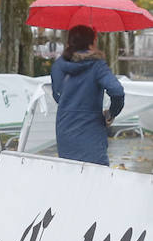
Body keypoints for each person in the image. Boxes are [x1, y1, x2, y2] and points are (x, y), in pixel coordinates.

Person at [50, 24, 125, 165]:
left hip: (65, 131)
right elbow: (117, 92)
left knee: (70, 178)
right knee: (96, 181)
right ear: (92, 43)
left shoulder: (58, 66)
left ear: (69, 42)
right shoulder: (97, 65)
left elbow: (58, 96)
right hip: (91, 133)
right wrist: (111, 113)